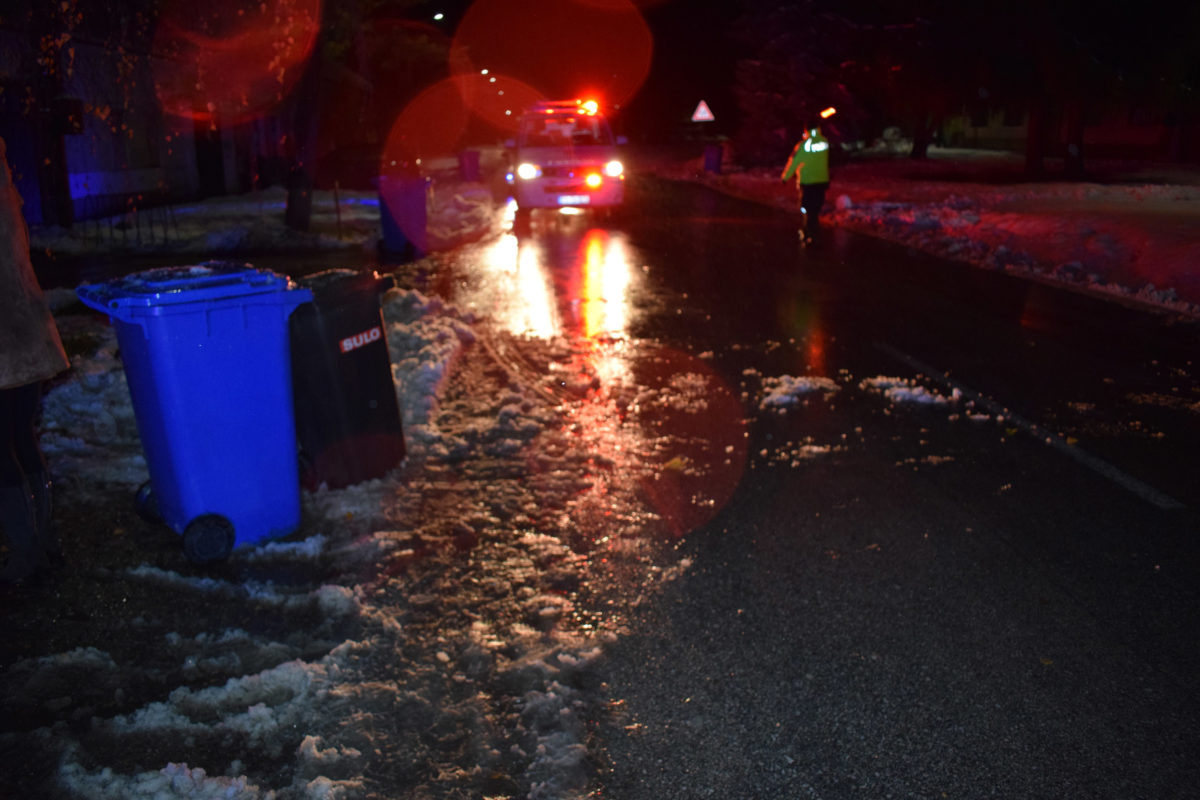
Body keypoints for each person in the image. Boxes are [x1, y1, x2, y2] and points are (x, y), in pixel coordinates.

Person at [1, 136, 70, 586]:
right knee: (18, 438)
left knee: (3, 447)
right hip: (23, 333)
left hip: (8, 342)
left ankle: (27, 555)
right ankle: (40, 545)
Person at [780, 121, 831, 244]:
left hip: (807, 182)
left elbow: (794, 162)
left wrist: (785, 177)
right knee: (816, 208)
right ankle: (814, 232)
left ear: (806, 130)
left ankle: (808, 233)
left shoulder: (803, 146)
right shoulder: (824, 142)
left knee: (806, 208)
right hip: (821, 181)